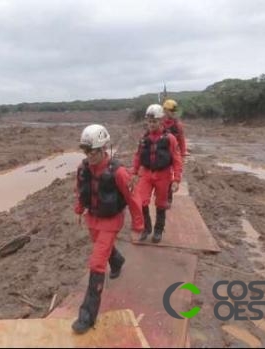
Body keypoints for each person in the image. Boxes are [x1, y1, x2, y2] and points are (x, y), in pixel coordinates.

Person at [72, 124, 144, 334]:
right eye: (85, 151)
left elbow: (134, 199)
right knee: (103, 249)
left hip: (111, 221)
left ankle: (87, 316)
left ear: (104, 148)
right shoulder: (83, 169)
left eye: (92, 151)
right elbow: (80, 191)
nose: (88, 156)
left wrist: (138, 226)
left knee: (96, 263)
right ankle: (118, 261)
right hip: (93, 219)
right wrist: (79, 210)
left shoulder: (119, 172)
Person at [131, 104, 183, 243]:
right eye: (149, 121)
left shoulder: (170, 139)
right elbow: (138, 156)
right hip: (147, 174)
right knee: (141, 201)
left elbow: (177, 159)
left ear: (161, 121)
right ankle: (146, 228)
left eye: (154, 121)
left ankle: (158, 230)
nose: (151, 124)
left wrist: (176, 179)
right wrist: (134, 172)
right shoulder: (144, 139)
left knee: (161, 204)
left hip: (164, 175)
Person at [162, 99, 187, 207]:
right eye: (171, 111)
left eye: (174, 111)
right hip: (161, 153)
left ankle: (168, 198)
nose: (173, 113)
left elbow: (182, 140)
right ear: (165, 111)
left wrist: (183, 155)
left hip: (173, 154)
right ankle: (161, 195)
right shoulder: (160, 124)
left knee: (169, 177)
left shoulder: (178, 125)